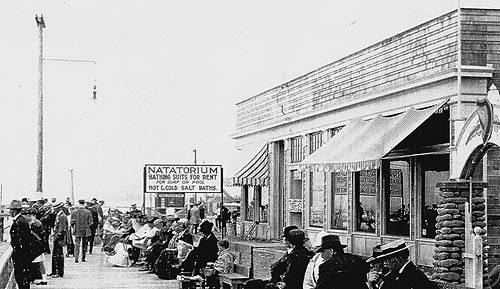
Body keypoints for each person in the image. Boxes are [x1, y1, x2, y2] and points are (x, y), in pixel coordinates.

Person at [371, 239, 437, 289]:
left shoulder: (415, 276)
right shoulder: (392, 274)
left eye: (387, 260)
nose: (385, 263)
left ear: (397, 260)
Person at [10, 199, 42, 289]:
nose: (9, 212)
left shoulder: (19, 222)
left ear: (14, 211)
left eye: (11, 210)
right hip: (24, 258)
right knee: (23, 281)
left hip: (21, 258)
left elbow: (22, 242)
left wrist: (19, 255)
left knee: (22, 280)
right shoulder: (22, 221)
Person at [71, 199, 93, 263]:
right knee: (84, 245)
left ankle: (76, 258)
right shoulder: (88, 212)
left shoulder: (74, 212)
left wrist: (74, 227)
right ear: (84, 204)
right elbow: (91, 222)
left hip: (77, 230)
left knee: (77, 244)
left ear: (78, 203)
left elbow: (72, 222)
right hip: (85, 230)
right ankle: (83, 258)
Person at [49, 202, 67, 278]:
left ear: (58, 208)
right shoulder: (59, 215)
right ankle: (54, 271)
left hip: (59, 238)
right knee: (55, 255)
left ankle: (59, 272)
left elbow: (62, 229)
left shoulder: (62, 216)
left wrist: (56, 236)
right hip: (57, 237)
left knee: (58, 255)